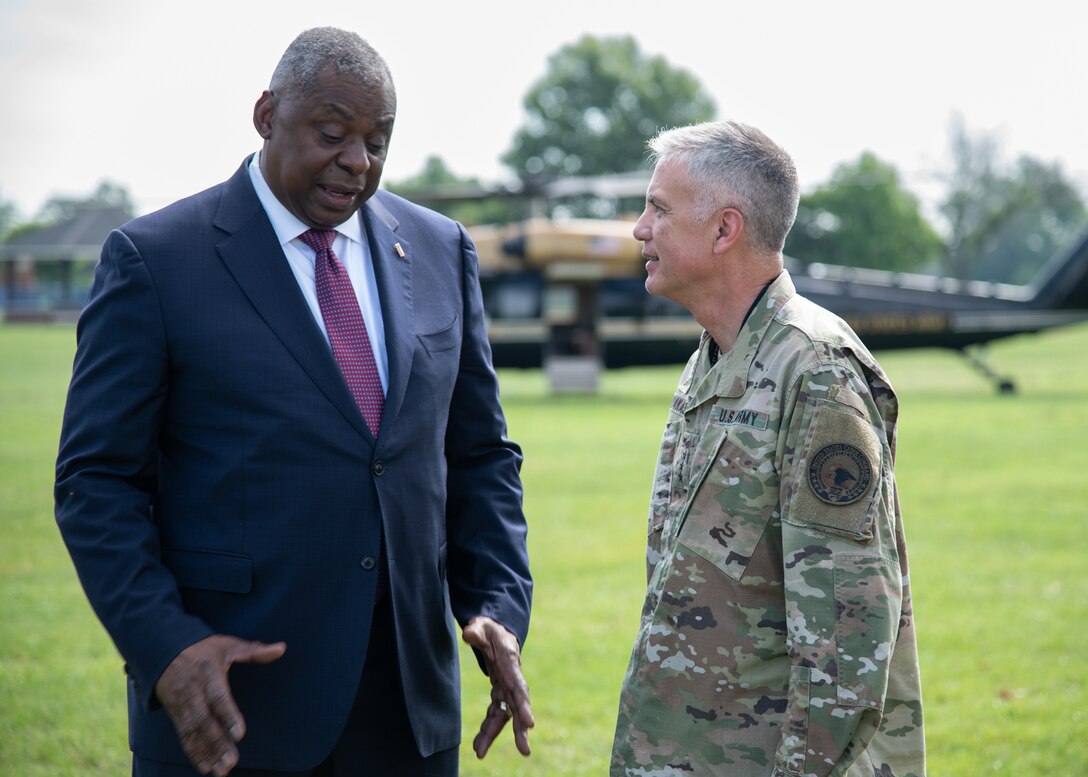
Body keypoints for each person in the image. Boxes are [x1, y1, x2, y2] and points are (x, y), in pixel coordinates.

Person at [54, 27, 533, 777]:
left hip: (409, 718)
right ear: (266, 114)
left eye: (379, 141)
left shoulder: (442, 249)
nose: (359, 162)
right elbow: (97, 483)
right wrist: (166, 645)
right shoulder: (155, 260)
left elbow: (480, 455)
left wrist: (499, 604)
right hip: (231, 709)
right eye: (333, 133)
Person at [610, 121, 925, 777]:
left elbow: (847, 630)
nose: (640, 228)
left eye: (658, 209)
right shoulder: (717, 355)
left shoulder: (815, 372)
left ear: (724, 230)